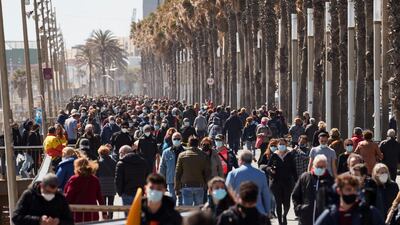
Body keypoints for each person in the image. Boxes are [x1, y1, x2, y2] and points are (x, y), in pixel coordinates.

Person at [314, 174, 385, 225]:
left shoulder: (369, 212)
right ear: (339, 191)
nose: (353, 193)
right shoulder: (330, 215)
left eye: (355, 190)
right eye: (348, 189)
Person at [292, 155, 335, 225]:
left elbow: (334, 200)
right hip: (305, 219)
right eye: (317, 166)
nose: (319, 169)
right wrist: (299, 209)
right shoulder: (305, 177)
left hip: (323, 219)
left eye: (322, 167)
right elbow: (295, 195)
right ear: (313, 165)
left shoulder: (330, 180)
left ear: (326, 167)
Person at [226, 150, 271, 215]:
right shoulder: (261, 174)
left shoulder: (233, 174)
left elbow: (227, 193)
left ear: (240, 160)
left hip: (238, 212)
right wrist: (267, 211)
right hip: (258, 211)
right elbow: (266, 194)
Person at [266, 138, 297, 225]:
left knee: (287, 203)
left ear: (286, 145)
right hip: (276, 182)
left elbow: (294, 169)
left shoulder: (290, 155)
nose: (281, 146)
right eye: (280, 144)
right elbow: (268, 167)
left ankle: (284, 215)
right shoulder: (274, 155)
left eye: (283, 144)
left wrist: (297, 180)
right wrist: (271, 170)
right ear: (278, 145)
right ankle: (280, 221)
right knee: (278, 202)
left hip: (287, 182)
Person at [64, 157, 105, 222]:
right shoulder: (95, 179)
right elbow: (100, 197)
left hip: (77, 214)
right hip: (92, 213)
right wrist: (104, 213)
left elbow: (68, 196)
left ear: (77, 167)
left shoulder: (74, 179)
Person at [175, 136, 211, 206]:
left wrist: (176, 188)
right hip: (199, 185)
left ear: (188, 144)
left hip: (186, 186)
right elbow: (208, 172)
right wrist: (208, 186)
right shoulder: (204, 155)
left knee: (187, 210)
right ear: (198, 144)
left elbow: (178, 172)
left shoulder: (182, 155)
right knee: (199, 210)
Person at [159, 132, 185, 204]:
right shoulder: (166, 152)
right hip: (170, 180)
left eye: (178, 139)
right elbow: (162, 167)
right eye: (174, 139)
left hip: (182, 180)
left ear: (181, 139)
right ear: (172, 139)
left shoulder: (186, 151)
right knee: (172, 200)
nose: (176, 140)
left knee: (181, 200)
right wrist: (160, 181)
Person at [96, 145, 117, 219]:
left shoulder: (98, 162)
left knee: (103, 203)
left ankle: (104, 217)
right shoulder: (114, 162)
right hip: (111, 184)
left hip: (102, 184)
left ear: (100, 153)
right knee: (111, 203)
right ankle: (111, 218)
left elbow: (96, 175)